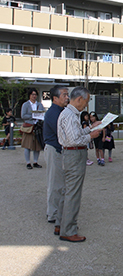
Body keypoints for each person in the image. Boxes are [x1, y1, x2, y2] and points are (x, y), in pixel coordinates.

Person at [57, 86, 102, 242]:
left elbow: (75, 134)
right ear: (79, 99)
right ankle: (68, 230)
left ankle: (60, 224)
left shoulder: (69, 114)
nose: (86, 105)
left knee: (67, 191)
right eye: (86, 101)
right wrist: (91, 136)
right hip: (73, 154)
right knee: (73, 193)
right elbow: (74, 140)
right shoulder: (70, 115)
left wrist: (90, 128)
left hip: (71, 153)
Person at [43, 85, 69, 230]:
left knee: (60, 182)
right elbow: (62, 133)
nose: (67, 97)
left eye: (67, 95)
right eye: (64, 95)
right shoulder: (53, 113)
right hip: (54, 150)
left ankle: (57, 211)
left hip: (60, 150)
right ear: (55, 98)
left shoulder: (61, 111)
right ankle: (52, 213)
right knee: (55, 183)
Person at [21, 88, 45, 169]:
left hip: (38, 126)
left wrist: (38, 116)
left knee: (37, 146)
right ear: (29, 95)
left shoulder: (39, 105)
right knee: (27, 145)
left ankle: (35, 161)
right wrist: (33, 116)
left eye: (35, 94)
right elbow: (23, 115)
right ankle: (28, 162)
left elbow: (42, 114)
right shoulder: (26, 105)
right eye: (32, 94)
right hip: (29, 126)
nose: (34, 96)